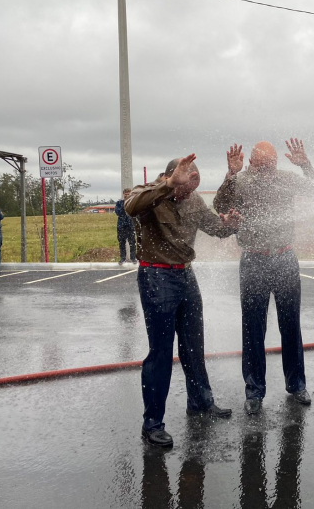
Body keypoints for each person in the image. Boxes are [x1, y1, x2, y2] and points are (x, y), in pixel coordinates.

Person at [125, 154, 241, 448]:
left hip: (186, 277)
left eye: (194, 184)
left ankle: (201, 401)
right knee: (161, 352)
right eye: (185, 184)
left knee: (193, 345)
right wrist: (167, 186)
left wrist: (231, 224)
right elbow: (130, 207)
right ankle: (152, 424)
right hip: (156, 276)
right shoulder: (148, 194)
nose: (188, 191)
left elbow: (216, 228)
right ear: (171, 177)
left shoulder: (194, 201)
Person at [213, 139, 314, 415]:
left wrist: (305, 165)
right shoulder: (240, 181)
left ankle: (296, 385)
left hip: (285, 258)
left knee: (290, 325)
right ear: (250, 163)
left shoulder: (286, 178)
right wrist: (230, 175)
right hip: (253, 259)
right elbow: (219, 204)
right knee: (252, 330)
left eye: (271, 166)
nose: (267, 172)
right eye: (261, 167)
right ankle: (254, 391)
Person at [115, 188, 136, 265]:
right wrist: (125, 205)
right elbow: (118, 212)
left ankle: (133, 258)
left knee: (132, 242)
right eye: (125, 194)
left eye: (128, 194)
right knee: (121, 242)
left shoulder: (133, 202)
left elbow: (135, 212)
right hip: (121, 226)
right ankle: (122, 258)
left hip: (130, 225)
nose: (127, 195)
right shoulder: (119, 203)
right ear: (123, 194)